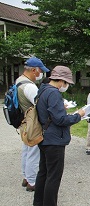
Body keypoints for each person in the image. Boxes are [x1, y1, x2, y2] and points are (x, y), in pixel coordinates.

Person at [33, 66, 85, 206]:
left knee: (43, 171)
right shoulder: (54, 93)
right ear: (62, 81)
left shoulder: (42, 89)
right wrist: (79, 115)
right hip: (54, 139)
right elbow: (61, 120)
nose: (66, 85)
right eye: (66, 82)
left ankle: (39, 203)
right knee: (54, 174)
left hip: (43, 136)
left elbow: (49, 113)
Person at [16, 57, 50, 192]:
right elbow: (41, 103)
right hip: (32, 123)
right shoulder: (29, 86)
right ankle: (32, 181)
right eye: (40, 71)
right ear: (34, 70)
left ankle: (25, 176)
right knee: (34, 151)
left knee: (26, 149)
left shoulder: (19, 81)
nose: (41, 74)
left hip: (24, 121)